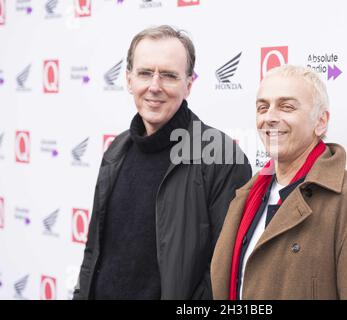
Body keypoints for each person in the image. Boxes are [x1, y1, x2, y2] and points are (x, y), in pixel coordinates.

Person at [73, 25, 252, 300]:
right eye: (145, 73)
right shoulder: (116, 151)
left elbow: (223, 274)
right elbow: (93, 252)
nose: (154, 86)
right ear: (129, 79)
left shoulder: (221, 157)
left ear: (188, 85)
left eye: (168, 75)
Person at [211, 64, 347, 299]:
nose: (269, 117)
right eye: (263, 107)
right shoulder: (248, 195)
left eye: (286, 107)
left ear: (321, 122)